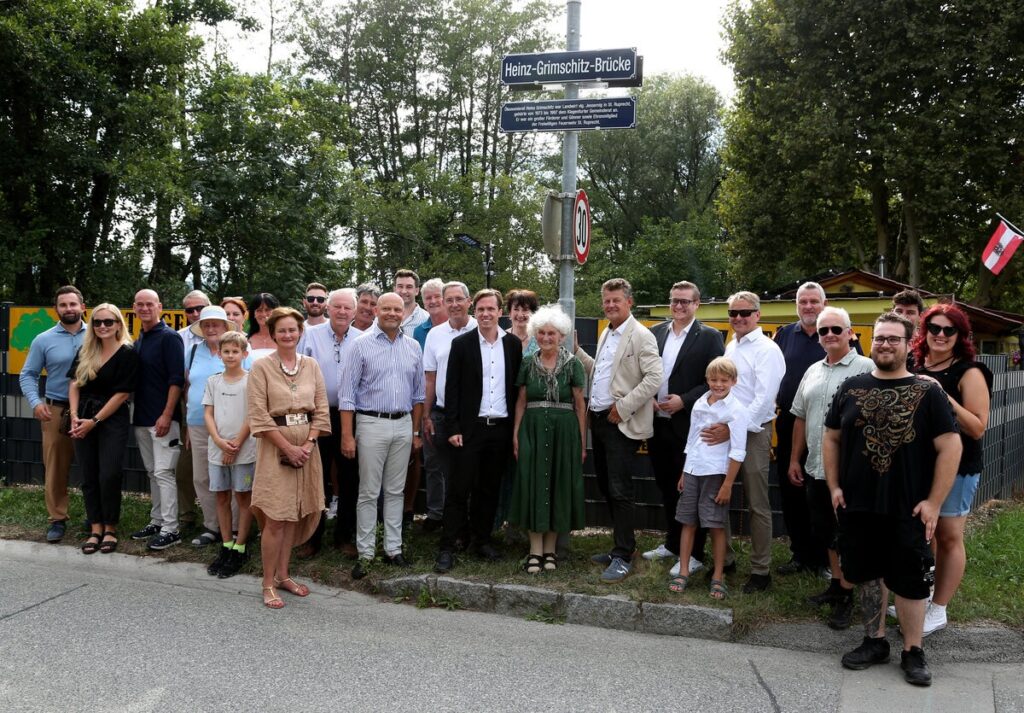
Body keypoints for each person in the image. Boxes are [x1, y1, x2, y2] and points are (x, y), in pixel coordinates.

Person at [824, 312, 961, 687]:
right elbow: (832, 437)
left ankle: (913, 651)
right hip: (858, 502)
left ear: (907, 344)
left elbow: (951, 444)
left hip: (908, 503)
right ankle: (875, 641)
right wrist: (834, 486)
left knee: (910, 579)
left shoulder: (928, 391)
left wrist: (934, 501)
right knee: (867, 573)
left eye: (893, 339)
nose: (885, 344)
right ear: (870, 342)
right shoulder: (851, 387)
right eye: (880, 338)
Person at [788, 307, 874, 629]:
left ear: (851, 332)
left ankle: (849, 597)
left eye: (836, 330)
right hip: (815, 468)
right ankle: (838, 587)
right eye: (823, 331)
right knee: (828, 532)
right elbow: (799, 416)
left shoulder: (867, 368)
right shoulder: (812, 371)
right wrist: (795, 459)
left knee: (850, 535)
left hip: (851, 472)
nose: (829, 336)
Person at [910, 303, 992, 635]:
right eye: (935, 328)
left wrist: (941, 393)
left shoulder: (969, 371)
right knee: (924, 533)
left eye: (949, 330)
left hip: (957, 466)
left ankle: (939, 609)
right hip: (918, 464)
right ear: (924, 331)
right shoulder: (914, 364)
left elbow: (977, 427)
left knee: (948, 536)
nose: (941, 335)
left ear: (960, 335)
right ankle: (925, 594)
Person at [433, 289, 522, 572]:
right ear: (475, 311)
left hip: (500, 428)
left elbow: (516, 389)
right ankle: (448, 546)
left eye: (491, 309)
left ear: (500, 312)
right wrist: (453, 427)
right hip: (469, 430)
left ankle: (481, 540)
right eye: (481, 309)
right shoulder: (462, 344)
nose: (485, 314)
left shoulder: (513, 345)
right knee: (459, 490)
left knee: (489, 489)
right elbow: (452, 389)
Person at [248, 307, 330, 609]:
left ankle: (284, 575)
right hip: (275, 450)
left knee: (296, 514)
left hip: (308, 450)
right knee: (276, 517)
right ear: (272, 333)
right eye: (281, 330)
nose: (287, 335)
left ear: (300, 332)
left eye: (292, 330)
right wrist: (288, 448)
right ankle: (268, 582)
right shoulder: (261, 368)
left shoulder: (311, 366)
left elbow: (321, 410)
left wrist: (307, 445)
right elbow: (258, 415)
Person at [340, 293, 425, 579]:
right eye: (386, 308)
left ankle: (393, 549)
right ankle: (365, 553)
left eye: (397, 309)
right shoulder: (360, 345)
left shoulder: (412, 346)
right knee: (368, 491)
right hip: (371, 423)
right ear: (377, 310)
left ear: (404, 312)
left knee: (395, 491)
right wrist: (347, 436)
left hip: (402, 424)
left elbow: (419, 395)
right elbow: (347, 395)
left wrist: (415, 431)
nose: (391, 313)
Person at [645, 281, 725, 578]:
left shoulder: (710, 337)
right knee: (666, 487)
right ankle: (671, 543)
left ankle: (695, 555)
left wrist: (685, 400)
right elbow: (645, 372)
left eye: (685, 302)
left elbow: (715, 381)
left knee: (693, 492)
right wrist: (649, 399)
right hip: (657, 423)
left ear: (696, 304)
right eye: (675, 301)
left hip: (690, 427)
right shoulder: (655, 333)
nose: (679, 306)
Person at [587, 278, 663, 583]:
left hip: (620, 423)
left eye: (615, 300)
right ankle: (621, 547)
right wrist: (578, 352)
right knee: (607, 486)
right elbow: (603, 373)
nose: (610, 305)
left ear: (629, 302)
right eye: (606, 300)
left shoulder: (641, 335)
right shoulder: (608, 331)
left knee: (620, 491)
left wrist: (624, 407)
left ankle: (623, 553)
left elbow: (654, 378)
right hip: (599, 419)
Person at [507, 305, 587, 574]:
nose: (546, 338)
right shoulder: (528, 363)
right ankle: (534, 550)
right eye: (541, 333)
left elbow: (579, 404)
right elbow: (520, 401)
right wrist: (516, 434)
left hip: (564, 432)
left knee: (557, 484)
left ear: (561, 335)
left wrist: (581, 440)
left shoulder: (573, 364)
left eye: (551, 333)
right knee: (532, 482)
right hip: (531, 428)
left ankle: (550, 550)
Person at [668, 357, 748, 600]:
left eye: (724, 380)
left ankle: (718, 576)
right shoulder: (701, 403)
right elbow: (692, 439)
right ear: (707, 380)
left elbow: (738, 450)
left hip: (716, 474)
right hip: (693, 470)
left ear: (733, 381)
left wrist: (727, 484)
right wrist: (684, 470)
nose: (718, 384)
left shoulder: (736, 410)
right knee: (687, 522)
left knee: (715, 525)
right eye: (714, 380)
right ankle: (683, 571)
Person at [722, 291, 786, 593]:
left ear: (757, 315)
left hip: (752, 432)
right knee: (717, 496)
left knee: (757, 503)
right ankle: (726, 559)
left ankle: (761, 571)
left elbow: (764, 399)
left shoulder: (767, 348)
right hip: (725, 430)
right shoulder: (731, 345)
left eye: (745, 313)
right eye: (733, 313)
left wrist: (735, 429)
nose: (738, 318)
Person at [67, 304, 139, 554]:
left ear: (119, 324)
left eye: (109, 322)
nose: (102, 327)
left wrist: (94, 421)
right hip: (82, 417)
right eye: (97, 322)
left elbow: (122, 395)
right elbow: (75, 384)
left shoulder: (128, 353)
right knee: (88, 474)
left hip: (111, 420)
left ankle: (110, 527)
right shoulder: (86, 350)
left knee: (108, 474)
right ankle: (95, 527)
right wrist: (75, 417)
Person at [772, 281, 832, 576]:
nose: (809, 307)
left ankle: (823, 558)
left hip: (826, 425)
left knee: (820, 491)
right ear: (797, 305)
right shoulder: (784, 334)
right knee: (791, 489)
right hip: (788, 423)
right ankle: (800, 554)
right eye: (803, 302)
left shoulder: (835, 332)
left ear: (824, 303)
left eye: (814, 301)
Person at [298, 288, 363, 557]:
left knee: (350, 478)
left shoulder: (364, 339)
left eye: (348, 307)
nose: (342, 312)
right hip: (317, 415)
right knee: (316, 478)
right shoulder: (309, 336)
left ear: (355, 312)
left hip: (351, 417)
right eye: (337, 306)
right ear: (328, 308)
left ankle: (343, 536)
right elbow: (298, 372)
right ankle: (311, 537)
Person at [20, 285, 87, 543]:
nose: (69, 309)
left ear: (82, 306)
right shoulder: (43, 339)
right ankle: (57, 519)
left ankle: (96, 518)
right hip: (56, 410)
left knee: (95, 466)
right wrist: (36, 402)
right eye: (63, 305)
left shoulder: (99, 333)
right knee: (56, 468)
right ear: (56, 309)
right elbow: (28, 374)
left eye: (73, 304)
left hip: (91, 412)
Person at [184, 305, 245, 547]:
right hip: (198, 423)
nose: (211, 328)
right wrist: (186, 424)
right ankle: (212, 526)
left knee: (234, 478)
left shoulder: (236, 350)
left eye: (215, 324)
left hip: (232, 426)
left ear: (224, 327)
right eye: (206, 324)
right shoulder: (191, 351)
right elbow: (186, 386)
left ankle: (236, 528)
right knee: (203, 477)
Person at [129, 289, 186, 551]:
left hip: (164, 419)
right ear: (134, 308)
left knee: (164, 473)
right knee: (153, 472)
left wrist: (166, 414)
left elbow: (177, 380)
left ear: (159, 307)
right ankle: (157, 520)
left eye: (149, 304)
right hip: (141, 418)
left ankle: (171, 529)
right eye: (140, 304)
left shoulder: (169, 338)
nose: (144, 308)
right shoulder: (139, 338)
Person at [421, 282, 477, 531]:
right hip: (441, 412)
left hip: (472, 414)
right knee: (437, 465)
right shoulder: (435, 335)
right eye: (449, 300)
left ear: (469, 301)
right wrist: (426, 415)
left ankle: (465, 522)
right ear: (444, 303)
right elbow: (430, 378)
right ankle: (437, 516)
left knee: (468, 469)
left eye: (459, 299)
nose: (454, 304)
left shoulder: (481, 328)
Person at [202, 331, 257, 579]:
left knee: (243, 498)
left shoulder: (251, 381)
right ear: (220, 353)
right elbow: (208, 414)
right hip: (217, 449)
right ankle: (226, 544)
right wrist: (218, 441)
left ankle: (241, 546)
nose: (231, 355)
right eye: (226, 351)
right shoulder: (214, 382)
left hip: (244, 450)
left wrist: (235, 443)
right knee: (221, 497)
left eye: (236, 351)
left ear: (245, 354)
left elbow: (252, 416)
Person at [176, 290, 211, 532]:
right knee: (190, 469)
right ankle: (190, 517)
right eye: (190, 310)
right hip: (191, 413)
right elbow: (184, 382)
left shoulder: (234, 342)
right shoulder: (180, 340)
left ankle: (230, 525)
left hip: (227, 419)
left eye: (200, 308)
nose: (195, 314)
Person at [412, 278, 447, 349]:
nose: (433, 301)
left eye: (437, 296)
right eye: (428, 298)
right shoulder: (419, 332)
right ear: (424, 304)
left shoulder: (457, 326)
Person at [395, 269, 429, 336]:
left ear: (416, 291)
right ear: (394, 289)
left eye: (409, 287)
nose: (404, 291)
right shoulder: (382, 318)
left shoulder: (426, 319)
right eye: (400, 286)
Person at [506, 289, 540, 355]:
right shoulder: (502, 338)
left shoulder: (539, 339)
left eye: (525, 310)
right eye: (516, 309)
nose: (520, 315)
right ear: (510, 313)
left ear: (533, 313)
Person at [246, 293, 280, 357]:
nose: (264, 314)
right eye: (259, 310)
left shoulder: (284, 337)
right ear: (253, 314)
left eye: (267, 310)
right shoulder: (246, 340)